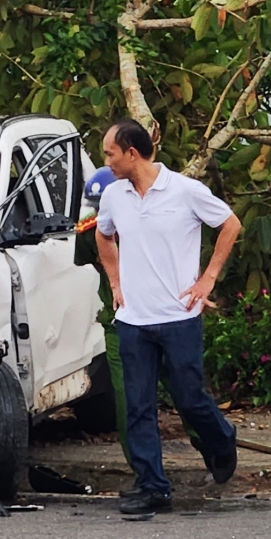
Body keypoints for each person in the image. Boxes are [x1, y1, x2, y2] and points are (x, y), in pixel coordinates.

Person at [94, 119, 244, 516]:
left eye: (110, 153)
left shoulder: (185, 191)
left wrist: (207, 279)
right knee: (139, 406)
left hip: (179, 316)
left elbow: (230, 224)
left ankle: (221, 441)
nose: (105, 160)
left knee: (190, 399)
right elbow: (103, 235)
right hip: (133, 320)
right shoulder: (113, 195)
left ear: (132, 153)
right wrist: (115, 283)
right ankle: (153, 487)